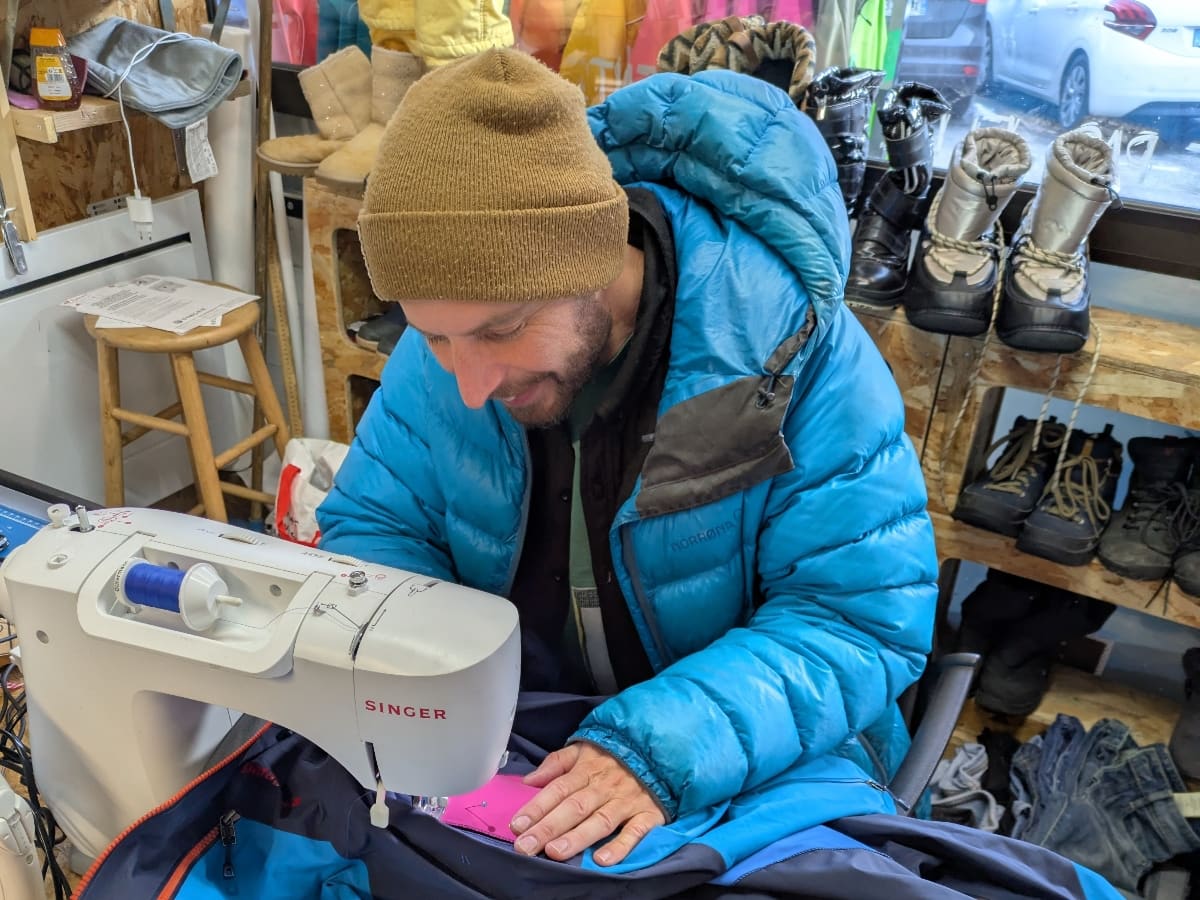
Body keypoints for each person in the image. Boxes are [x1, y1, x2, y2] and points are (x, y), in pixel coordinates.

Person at [317, 48, 938, 870]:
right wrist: (410, 686)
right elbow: (375, 527)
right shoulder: (443, 363)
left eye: (501, 330)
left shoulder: (796, 356)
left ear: (598, 260)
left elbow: (858, 620)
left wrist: (658, 751)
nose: (469, 385)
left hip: (734, 760)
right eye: (433, 335)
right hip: (517, 747)